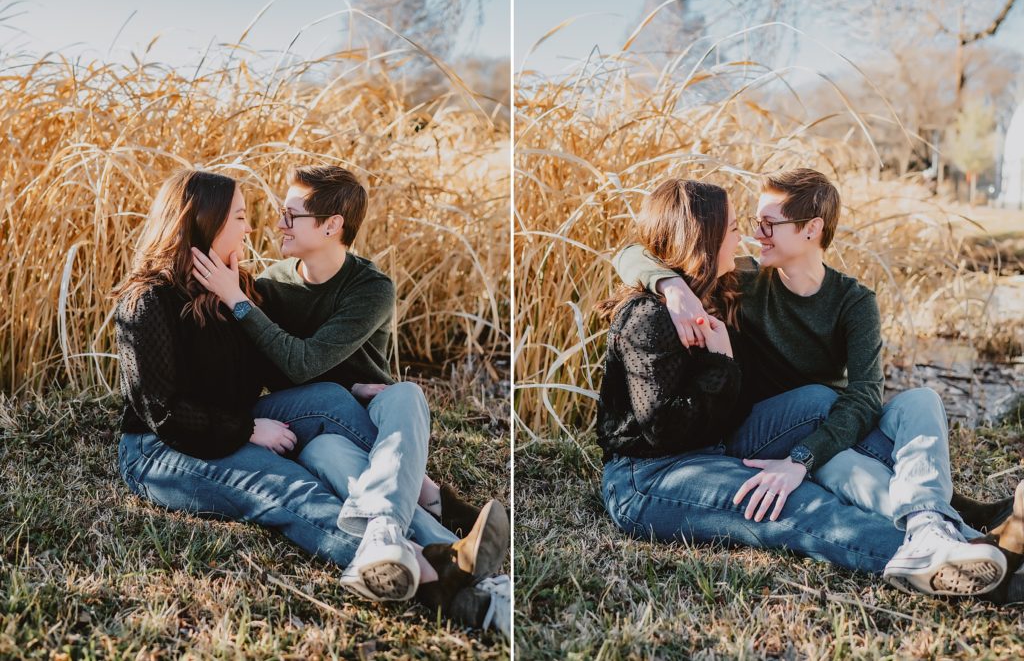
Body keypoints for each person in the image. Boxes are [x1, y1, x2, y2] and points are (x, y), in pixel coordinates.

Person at [114, 169, 508, 634]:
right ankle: (437, 577)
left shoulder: (233, 286)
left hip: (232, 418)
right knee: (296, 492)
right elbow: (160, 411)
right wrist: (246, 430)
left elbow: (274, 366)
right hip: (162, 448)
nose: (251, 227)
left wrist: (349, 387)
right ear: (206, 222)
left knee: (328, 399)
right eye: (240, 217)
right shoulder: (148, 300)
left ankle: (427, 525)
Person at [599, 176, 1023, 601]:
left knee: (837, 403)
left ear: (811, 229)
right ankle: (955, 555)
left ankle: (953, 527)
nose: (747, 235)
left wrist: (799, 457)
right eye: (736, 227)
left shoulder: (763, 289)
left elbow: (862, 396)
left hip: (737, 436)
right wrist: (676, 296)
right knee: (798, 503)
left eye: (767, 224)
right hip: (652, 472)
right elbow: (632, 255)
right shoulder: (680, 305)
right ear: (704, 237)